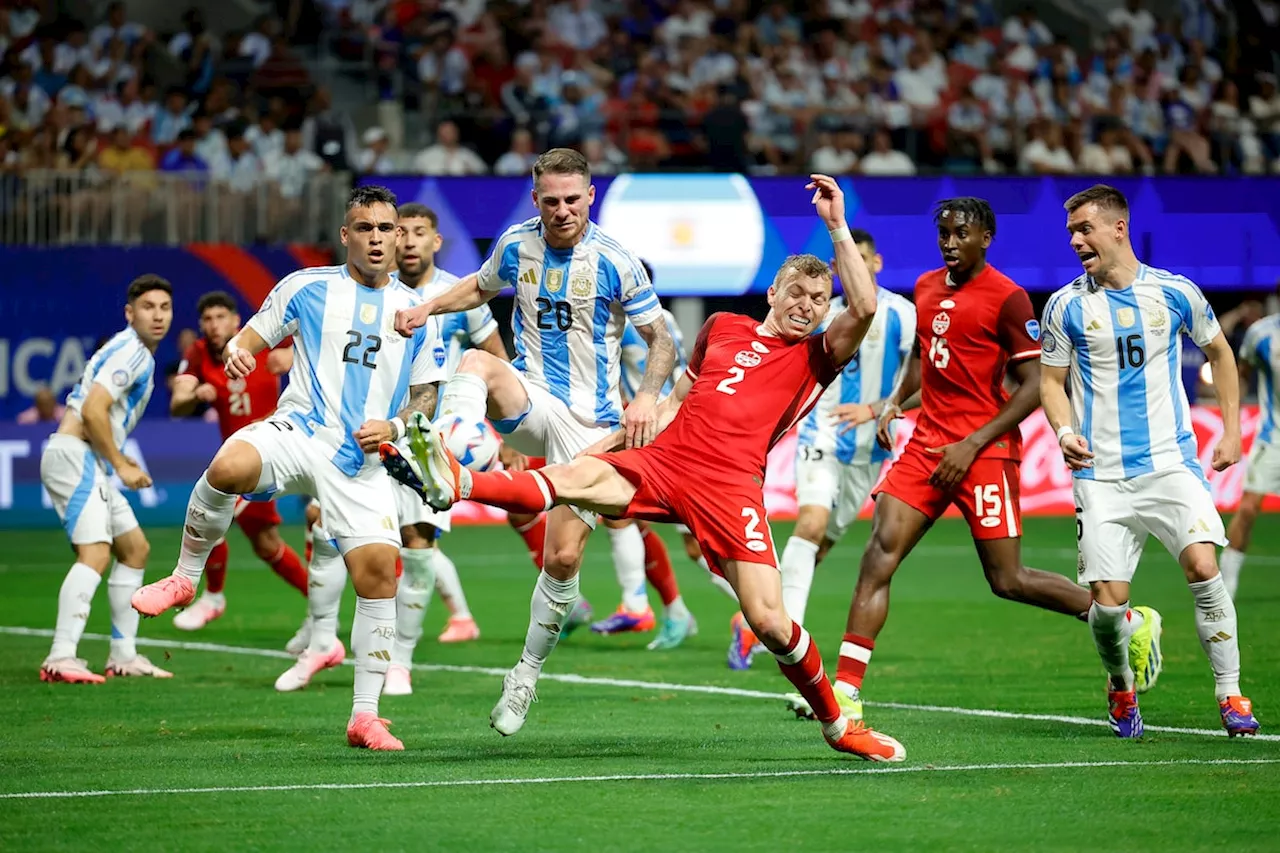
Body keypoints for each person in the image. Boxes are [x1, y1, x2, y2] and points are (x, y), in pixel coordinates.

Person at [396, 175, 905, 761]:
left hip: (730, 487)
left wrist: (836, 224)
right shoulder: (721, 329)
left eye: (818, 301)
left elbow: (863, 305)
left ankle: (839, 725)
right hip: (664, 461)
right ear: (773, 292)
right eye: (797, 294)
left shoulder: (817, 356)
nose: (807, 307)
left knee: (768, 620)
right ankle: (456, 481)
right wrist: (610, 443)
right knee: (570, 480)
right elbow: (672, 406)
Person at [816, 197, 1160, 725]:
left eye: (961, 234)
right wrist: (892, 404)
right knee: (877, 557)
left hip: (985, 455)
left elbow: (1033, 387)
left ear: (986, 237)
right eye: (944, 235)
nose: (950, 244)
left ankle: (1121, 617)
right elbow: (923, 360)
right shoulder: (927, 287)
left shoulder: (1009, 299)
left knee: (1007, 581)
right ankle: (846, 690)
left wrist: (972, 443)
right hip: (927, 448)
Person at [130, 185, 448, 751]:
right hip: (301, 430)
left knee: (379, 577)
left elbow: (425, 394)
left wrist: (397, 429)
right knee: (229, 464)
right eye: (364, 228)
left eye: (385, 228)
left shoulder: (417, 314)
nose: (376, 238)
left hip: (363, 458)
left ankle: (365, 717)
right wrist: (240, 351)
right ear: (345, 236)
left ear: (399, 236)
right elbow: (255, 334)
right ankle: (184, 577)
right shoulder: (306, 287)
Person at [392, 147, 678, 698]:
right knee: (476, 362)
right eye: (552, 200)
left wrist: (645, 398)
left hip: (593, 428)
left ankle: (524, 676)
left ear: (590, 196)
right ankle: (453, 449)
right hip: (533, 395)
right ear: (536, 200)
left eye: (573, 199)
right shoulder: (517, 242)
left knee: (563, 556)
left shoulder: (617, 261)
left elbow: (660, 337)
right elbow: (480, 286)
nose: (563, 210)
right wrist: (429, 308)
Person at [1040, 183, 1259, 738]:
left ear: (1118, 228)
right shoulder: (1066, 305)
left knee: (1204, 569)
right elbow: (1050, 382)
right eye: (1070, 231)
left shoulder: (1175, 292)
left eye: (1084, 228)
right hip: (1100, 476)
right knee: (1109, 610)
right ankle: (1120, 686)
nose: (1075, 240)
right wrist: (1063, 430)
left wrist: (1231, 430)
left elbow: (1220, 353)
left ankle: (1230, 694)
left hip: (1169, 464)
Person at [768, 230, 915, 685]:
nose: (854, 266)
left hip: (870, 448)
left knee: (824, 542)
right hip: (821, 435)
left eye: (863, 258)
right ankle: (785, 633)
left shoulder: (903, 315)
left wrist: (878, 409)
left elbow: (925, 381)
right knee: (809, 525)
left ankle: (758, 612)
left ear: (875, 263)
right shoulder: (822, 312)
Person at [39, 275, 174, 683]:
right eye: (148, 307)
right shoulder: (131, 351)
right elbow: (94, 410)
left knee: (134, 549)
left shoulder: (136, 354)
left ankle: (123, 656)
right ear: (129, 314)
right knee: (95, 553)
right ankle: (61, 657)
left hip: (87, 459)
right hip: (75, 453)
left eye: (165, 307)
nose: (158, 315)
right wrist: (121, 464)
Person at [168, 291, 307, 631]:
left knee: (210, 516)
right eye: (207, 319)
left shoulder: (263, 341)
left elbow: (317, 360)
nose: (214, 326)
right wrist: (194, 397)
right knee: (265, 544)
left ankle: (214, 597)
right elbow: (177, 405)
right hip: (236, 458)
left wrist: (294, 356)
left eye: (221, 318)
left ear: (235, 321)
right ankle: (320, 611)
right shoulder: (198, 353)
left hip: (275, 451)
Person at [594, 259, 697, 650]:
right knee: (623, 515)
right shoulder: (667, 320)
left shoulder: (626, 328)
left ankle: (639, 605)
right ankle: (674, 612)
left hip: (661, 432)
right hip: (673, 429)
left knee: (617, 512)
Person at [1220, 307, 1280, 599]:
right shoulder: (1261, 334)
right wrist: (1232, 418)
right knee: (1247, 509)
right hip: (1273, 437)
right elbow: (1240, 372)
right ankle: (1226, 585)